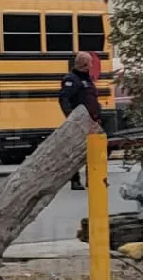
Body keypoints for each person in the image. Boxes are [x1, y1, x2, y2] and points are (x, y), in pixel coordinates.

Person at [59, 51, 101, 190]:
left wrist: (98, 114)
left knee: (93, 151)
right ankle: (75, 180)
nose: (91, 65)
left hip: (91, 121)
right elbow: (64, 99)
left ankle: (93, 178)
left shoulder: (87, 79)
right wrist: (71, 117)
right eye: (90, 62)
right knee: (76, 153)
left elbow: (92, 98)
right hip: (79, 122)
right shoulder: (72, 79)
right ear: (84, 64)